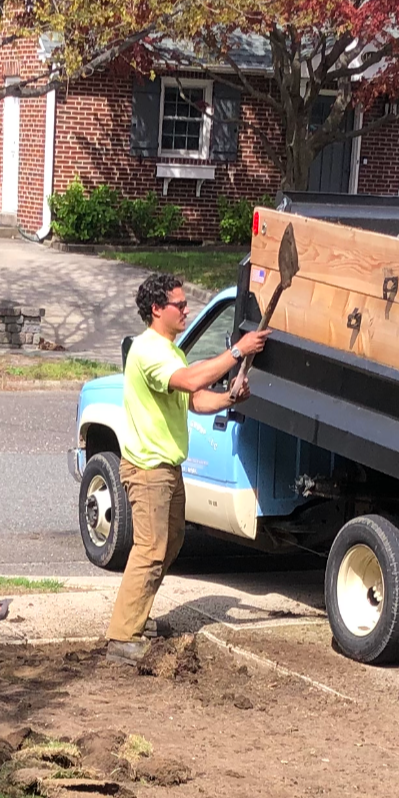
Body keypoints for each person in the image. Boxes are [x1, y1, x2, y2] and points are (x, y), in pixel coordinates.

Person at [106, 273, 268, 663]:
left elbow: (195, 400)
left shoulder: (170, 349)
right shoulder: (149, 351)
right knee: (150, 548)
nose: (186, 310)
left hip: (167, 468)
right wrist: (236, 352)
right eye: (179, 305)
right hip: (147, 469)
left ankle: (136, 617)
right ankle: (122, 637)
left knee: (171, 542)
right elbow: (190, 378)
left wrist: (230, 396)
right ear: (157, 309)